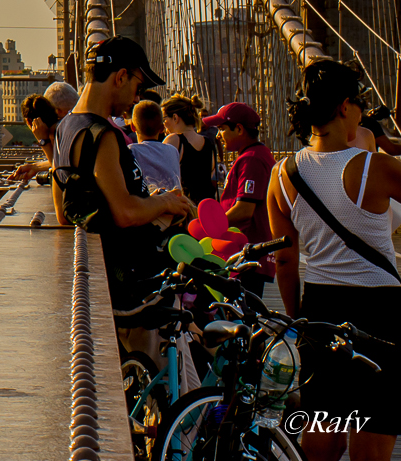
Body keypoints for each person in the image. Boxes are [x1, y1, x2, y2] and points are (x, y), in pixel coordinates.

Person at [264, 60, 401, 461]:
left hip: (320, 311)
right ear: (345, 107)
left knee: (324, 431)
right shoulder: (376, 168)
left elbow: (286, 262)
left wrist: (298, 321)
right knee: (372, 436)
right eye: (359, 102)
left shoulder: (282, 174)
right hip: (380, 312)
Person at [54, 37, 196, 324]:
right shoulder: (102, 135)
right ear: (120, 77)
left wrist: (154, 202)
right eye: (138, 87)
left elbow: (63, 215)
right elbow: (126, 212)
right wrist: (166, 202)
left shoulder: (66, 127)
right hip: (131, 289)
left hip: (100, 282)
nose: (136, 98)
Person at [204, 100, 275, 289]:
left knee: (241, 314)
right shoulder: (255, 155)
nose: (219, 135)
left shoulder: (251, 159)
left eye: (222, 129)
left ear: (239, 129)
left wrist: (211, 228)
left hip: (246, 254)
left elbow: (244, 210)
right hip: (243, 253)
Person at [161, 94, 220, 203]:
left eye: (164, 119)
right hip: (207, 207)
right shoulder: (208, 143)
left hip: (186, 209)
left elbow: (161, 177)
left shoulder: (174, 140)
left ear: (175, 117)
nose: (163, 124)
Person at [128, 97, 182, 192]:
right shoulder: (173, 151)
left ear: (133, 127)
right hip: (173, 203)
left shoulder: (131, 151)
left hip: (148, 204)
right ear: (162, 128)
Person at [10, 93, 60, 182]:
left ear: (29, 122)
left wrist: (44, 141)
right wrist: (35, 167)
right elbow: (60, 162)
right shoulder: (61, 129)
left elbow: (60, 170)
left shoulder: (59, 135)